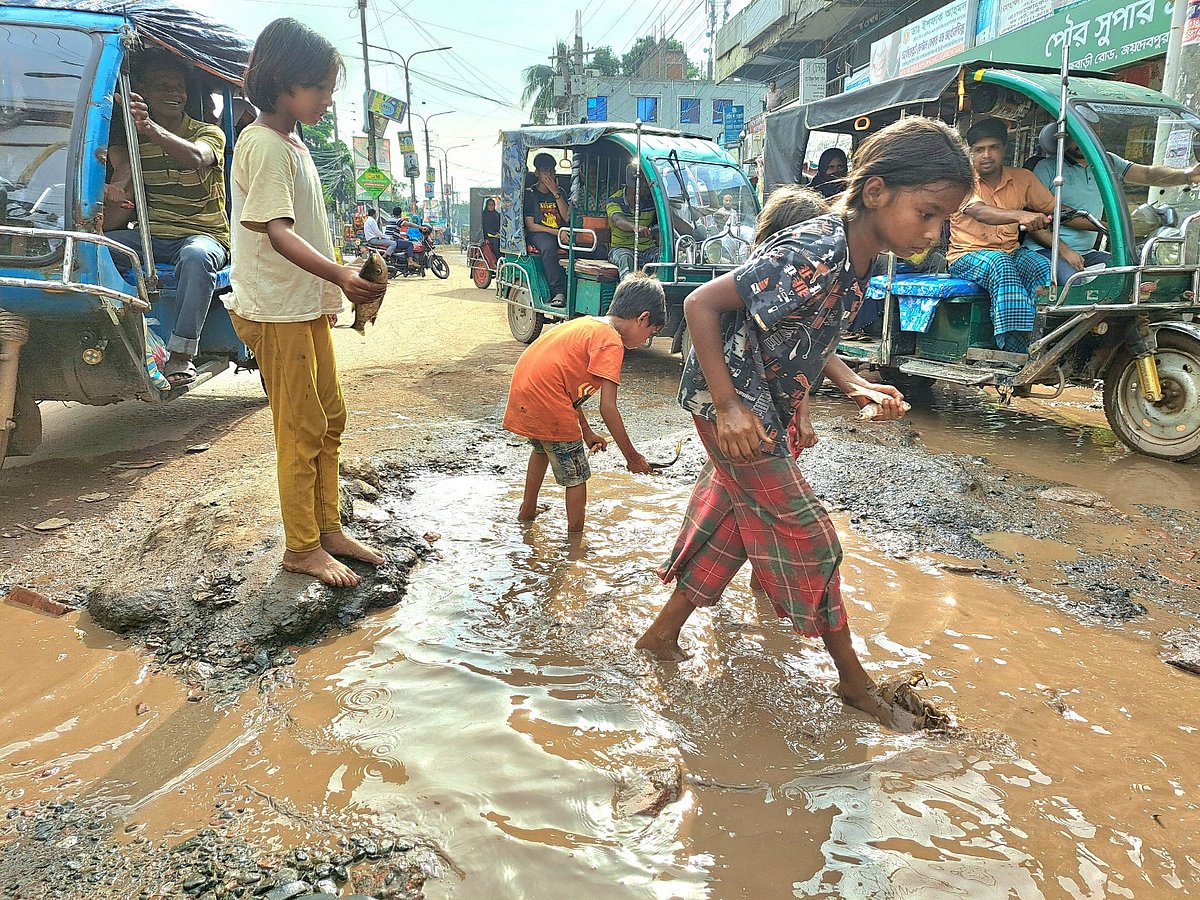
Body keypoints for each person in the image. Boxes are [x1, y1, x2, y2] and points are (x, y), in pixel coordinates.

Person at [635, 117, 975, 729]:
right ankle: (853, 680)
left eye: (942, 218)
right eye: (927, 213)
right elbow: (700, 305)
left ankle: (661, 637)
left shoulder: (861, 255)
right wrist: (730, 408)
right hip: (736, 412)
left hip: (764, 407)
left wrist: (854, 383)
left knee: (732, 528)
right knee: (815, 539)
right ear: (875, 193)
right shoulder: (817, 250)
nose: (935, 231)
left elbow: (805, 334)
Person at [226, 17, 387, 587]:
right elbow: (277, 231)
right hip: (275, 309)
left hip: (301, 306)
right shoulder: (264, 143)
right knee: (300, 428)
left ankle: (327, 527)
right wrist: (341, 275)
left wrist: (339, 276)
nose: (327, 98)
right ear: (284, 81)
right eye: (320, 87)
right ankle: (301, 547)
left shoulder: (293, 143)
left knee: (330, 417)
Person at [104, 50, 229, 387]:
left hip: (203, 236)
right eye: (163, 87)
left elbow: (197, 158)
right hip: (152, 235)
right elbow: (122, 187)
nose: (175, 94)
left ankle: (182, 353)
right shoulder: (133, 142)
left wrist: (149, 127)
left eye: (179, 87)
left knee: (196, 257)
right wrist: (109, 193)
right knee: (94, 249)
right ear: (141, 91)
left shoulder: (207, 133)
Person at [503, 273, 663, 533]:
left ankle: (527, 510)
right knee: (578, 474)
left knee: (542, 449)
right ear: (642, 318)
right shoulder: (611, 341)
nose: (645, 341)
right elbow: (608, 408)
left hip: (526, 390)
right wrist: (632, 457)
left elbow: (567, 391)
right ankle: (575, 540)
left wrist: (586, 431)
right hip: (547, 397)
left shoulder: (587, 325)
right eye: (649, 334)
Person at [947, 117, 1080, 353]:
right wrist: (1021, 215)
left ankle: (1043, 338)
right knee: (1000, 264)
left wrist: (1099, 224)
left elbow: (1055, 209)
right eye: (979, 150)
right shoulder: (961, 182)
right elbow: (980, 211)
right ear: (971, 153)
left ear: (1004, 149)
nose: (986, 155)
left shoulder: (1023, 179)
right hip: (967, 257)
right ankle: (1012, 349)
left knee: (1042, 267)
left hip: (1011, 252)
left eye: (993, 148)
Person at [1029, 121, 1200, 285]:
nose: (1081, 141)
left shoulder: (1106, 162)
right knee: (1074, 282)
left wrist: (1188, 175)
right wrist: (1111, 227)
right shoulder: (1048, 167)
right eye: (1075, 135)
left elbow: (1147, 174)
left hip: (1086, 253)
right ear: (1064, 136)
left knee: (1129, 276)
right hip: (1046, 250)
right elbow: (1049, 209)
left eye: (1088, 134)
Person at [523, 152, 569, 306]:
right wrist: (558, 233)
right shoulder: (530, 194)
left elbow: (567, 217)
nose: (549, 174)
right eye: (545, 171)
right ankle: (558, 292)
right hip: (539, 234)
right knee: (549, 247)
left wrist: (556, 192)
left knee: (583, 246)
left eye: (551, 170)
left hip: (560, 233)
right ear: (537, 173)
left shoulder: (560, 192)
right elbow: (531, 225)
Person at [607, 163, 660, 279]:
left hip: (648, 249)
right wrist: (636, 227)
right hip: (620, 249)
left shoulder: (652, 200)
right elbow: (618, 220)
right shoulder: (615, 200)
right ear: (636, 185)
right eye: (646, 184)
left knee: (662, 256)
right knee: (626, 258)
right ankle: (627, 291)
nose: (649, 187)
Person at [385, 205, 415, 270]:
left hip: (389, 239)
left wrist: (402, 236)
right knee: (410, 244)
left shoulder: (390, 220)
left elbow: (394, 231)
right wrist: (420, 227)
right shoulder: (397, 220)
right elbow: (409, 224)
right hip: (393, 241)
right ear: (400, 214)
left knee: (405, 241)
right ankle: (410, 261)